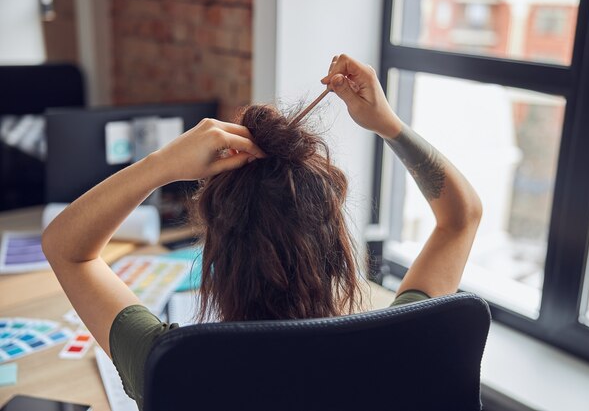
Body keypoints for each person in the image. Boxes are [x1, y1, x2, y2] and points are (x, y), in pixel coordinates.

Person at [42, 54, 482, 409]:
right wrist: (390, 124)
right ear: (332, 246)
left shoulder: (173, 362)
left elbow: (67, 247)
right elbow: (460, 218)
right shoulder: (407, 341)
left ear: (219, 255)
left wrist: (162, 165)